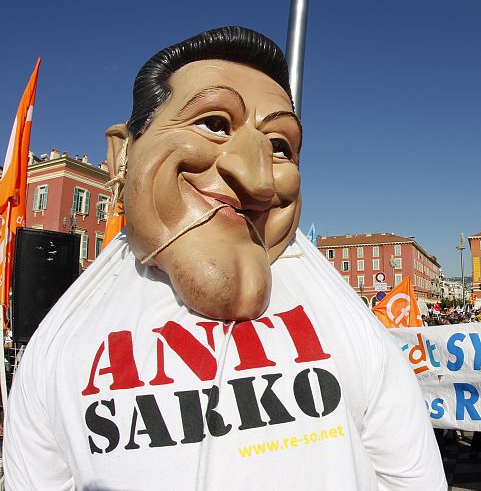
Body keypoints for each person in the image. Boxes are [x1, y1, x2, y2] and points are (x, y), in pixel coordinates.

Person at [3, 27, 447, 490]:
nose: (257, 180)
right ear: (122, 154)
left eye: (280, 146)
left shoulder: (352, 330)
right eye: (214, 123)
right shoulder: (56, 353)